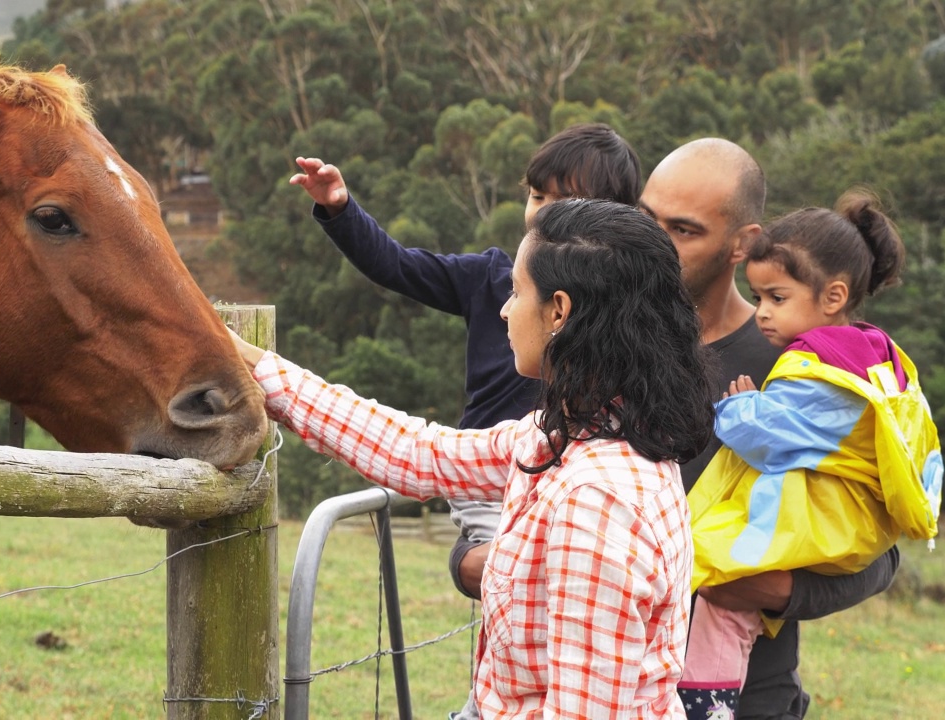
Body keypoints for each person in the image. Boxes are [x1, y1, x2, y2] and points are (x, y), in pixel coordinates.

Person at [232, 199, 715, 718]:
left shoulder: (595, 501)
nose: (504, 310)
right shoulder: (570, 435)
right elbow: (418, 453)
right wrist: (256, 366)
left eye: (515, 291)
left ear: (559, 310)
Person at [290, 123, 641, 719]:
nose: (542, 215)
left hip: (575, 488)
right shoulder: (491, 277)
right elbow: (399, 266)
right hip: (487, 481)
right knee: (518, 622)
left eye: (566, 202)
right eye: (537, 197)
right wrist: (341, 211)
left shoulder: (627, 313)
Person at [638, 139, 902, 719]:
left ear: (743, 243)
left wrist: (785, 592)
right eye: (645, 219)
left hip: (749, 698)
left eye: (682, 230)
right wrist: (469, 558)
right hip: (602, 684)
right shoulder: (602, 340)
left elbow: (880, 544)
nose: (655, 243)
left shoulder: (801, 363)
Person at [674, 190, 943, 719]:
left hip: (813, 520)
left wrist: (736, 408)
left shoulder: (818, 366)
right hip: (839, 522)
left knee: (709, 582)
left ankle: (702, 705)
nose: (763, 314)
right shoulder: (870, 354)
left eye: (776, 298)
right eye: (761, 297)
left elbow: (772, 436)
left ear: (833, 295)